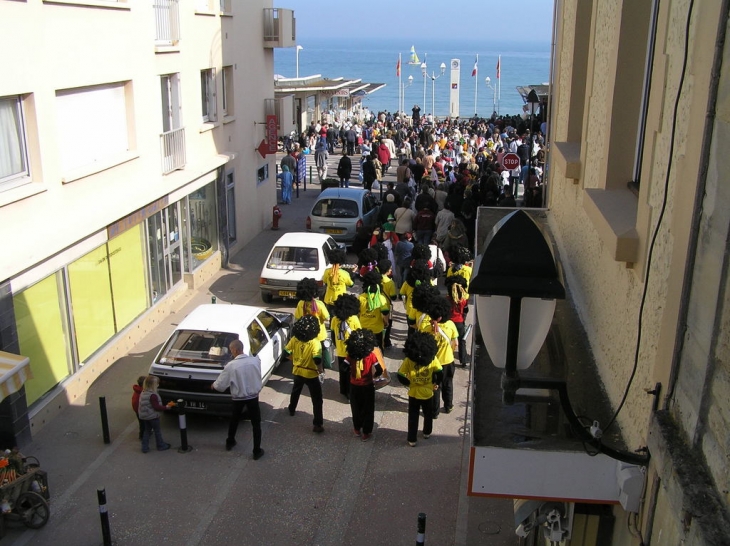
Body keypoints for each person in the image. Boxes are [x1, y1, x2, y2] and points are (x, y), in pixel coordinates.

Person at [211, 339, 264, 459]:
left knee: (234, 420)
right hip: (253, 397)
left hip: (238, 399)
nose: (231, 353)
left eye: (231, 350)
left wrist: (213, 385)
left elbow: (220, 385)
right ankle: (257, 450)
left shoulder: (231, 366)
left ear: (235, 350)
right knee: (256, 424)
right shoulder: (255, 361)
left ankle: (230, 441)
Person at [397, 331, 442, 447]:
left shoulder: (409, 360)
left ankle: (412, 439)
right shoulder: (432, 359)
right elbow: (439, 371)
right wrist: (436, 382)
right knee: (428, 414)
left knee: (413, 416)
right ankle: (427, 432)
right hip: (428, 392)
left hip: (413, 392)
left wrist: (408, 383)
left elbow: (400, 374)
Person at [419, 297, 458, 417]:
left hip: (434, 364)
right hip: (448, 361)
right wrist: (450, 351)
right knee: (448, 384)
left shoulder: (426, 329)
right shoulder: (450, 325)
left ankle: (434, 412)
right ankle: (448, 406)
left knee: (435, 387)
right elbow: (455, 343)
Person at [285, 315, 325, 433]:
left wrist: (295, 360)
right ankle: (317, 424)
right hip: (311, 374)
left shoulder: (294, 339)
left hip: (297, 370)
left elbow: (286, 353)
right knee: (317, 400)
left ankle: (292, 408)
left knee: (296, 390)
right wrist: (320, 370)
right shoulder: (315, 343)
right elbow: (317, 359)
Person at [345, 329, 383, 442]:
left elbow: (343, 367)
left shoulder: (350, 355)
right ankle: (366, 432)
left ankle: (357, 428)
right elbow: (379, 370)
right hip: (367, 385)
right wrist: (375, 376)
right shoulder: (371, 356)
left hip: (354, 385)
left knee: (356, 408)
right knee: (368, 409)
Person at [331, 294, 362, 400]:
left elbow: (332, 334)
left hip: (340, 350)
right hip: (351, 350)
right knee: (351, 372)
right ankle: (350, 392)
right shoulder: (354, 319)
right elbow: (359, 333)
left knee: (342, 371)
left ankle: (343, 389)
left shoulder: (335, 319)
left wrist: (337, 345)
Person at [138, 375, 172, 453]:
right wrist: (166, 407)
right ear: (153, 385)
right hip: (153, 416)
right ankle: (160, 445)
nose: (158, 385)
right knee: (157, 431)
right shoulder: (153, 395)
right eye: (157, 384)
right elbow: (156, 407)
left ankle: (144, 447)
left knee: (147, 431)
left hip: (145, 416)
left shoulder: (143, 393)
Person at [358, 270, 390, 351]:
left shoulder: (360, 297)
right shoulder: (381, 298)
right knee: (379, 350)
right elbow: (385, 313)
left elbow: (357, 313)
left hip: (363, 329)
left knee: (364, 350)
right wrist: (386, 323)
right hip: (377, 329)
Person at [294, 278, 330, 345]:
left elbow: (297, 318)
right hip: (319, 337)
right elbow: (327, 318)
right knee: (324, 352)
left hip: (305, 336)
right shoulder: (319, 304)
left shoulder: (300, 303)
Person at [445, 275, 470, 367]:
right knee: (462, 341)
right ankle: (463, 360)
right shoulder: (463, 301)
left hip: (449, 323)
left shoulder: (447, 299)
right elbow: (466, 311)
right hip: (459, 322)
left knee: (448, 342)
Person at [131, 375, 145, 440]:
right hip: (141, 410)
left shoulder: (137, 390)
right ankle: (142, 436)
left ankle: (142, 435)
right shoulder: (143, 392)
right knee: (143, 424)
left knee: (141, 423)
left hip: (137, 410)